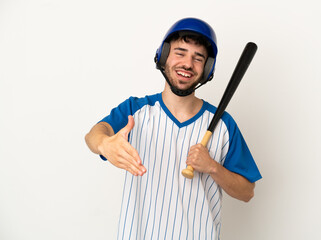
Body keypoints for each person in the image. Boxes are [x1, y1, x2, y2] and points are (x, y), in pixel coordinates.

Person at [85, 17, 262, 240]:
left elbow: (247, 192)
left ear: (207, 68)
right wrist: (104, 144)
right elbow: (93, 134)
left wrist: (212, 167)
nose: (188, 64)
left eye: (198, 58)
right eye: (180, 52)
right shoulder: (136, 110)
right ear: (164, 55)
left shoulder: (224, 125)